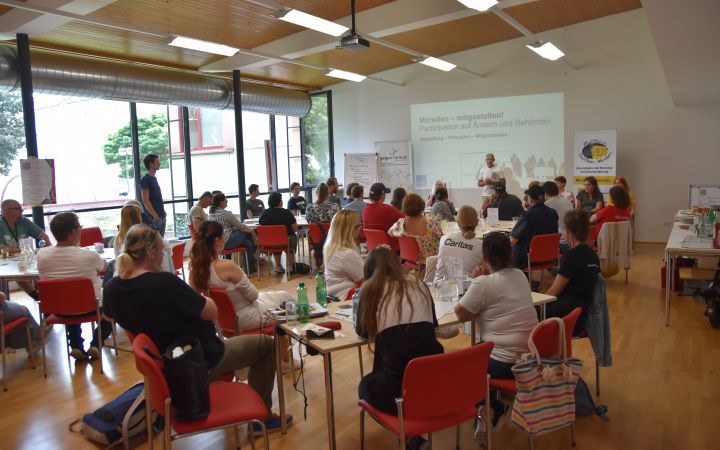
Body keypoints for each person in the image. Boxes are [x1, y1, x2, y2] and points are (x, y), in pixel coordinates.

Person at [103, 224, 289, 431]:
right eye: (162, 249)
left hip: (164, 366)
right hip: (198, 360)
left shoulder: (111, 288)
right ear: (151, 252)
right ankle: (262, 418)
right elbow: (210, 311)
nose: (164, 254)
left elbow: (108, 316)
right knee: (265, 345)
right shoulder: (164, 283)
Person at [454, 232, 538, 428]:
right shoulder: (520, 275)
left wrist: (476, 282)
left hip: (505, 363)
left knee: (462, 365)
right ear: (510, 254)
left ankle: (491, 407)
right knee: (477, 353)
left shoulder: (483, 283)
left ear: (484, 258)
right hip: (531, 356)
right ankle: (490, 403)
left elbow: (460, 313)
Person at [188, 221, 296, 370]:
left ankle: (284, 359)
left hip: (223, 321)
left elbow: (196, 301)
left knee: (283, 295)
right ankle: (286, 361)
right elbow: (253, 295)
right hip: (246, 315)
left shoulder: (196, 269)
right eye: (224, 236)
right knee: (288, 303)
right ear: (217, 241)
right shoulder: (226, 266)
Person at [356, 247, 442, 424]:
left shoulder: (370, 289)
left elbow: (363, 331)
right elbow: (433, 322)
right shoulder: (418, 283)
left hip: (397, 389)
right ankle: (413, 431)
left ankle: (409, 434)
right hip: (431, 379)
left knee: (365, 385)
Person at [37, 212, 110, 361]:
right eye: (79, 228)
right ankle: (96, 344)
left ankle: (76, 345)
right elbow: (104, 267)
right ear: (72, 232)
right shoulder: (88, 255)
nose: (81, 231)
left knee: (68, 298)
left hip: (58, 308)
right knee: (112, 306)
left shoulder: (42, 255)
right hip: (92, 307)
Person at [545, 210, 600, 334]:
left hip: (565, 314)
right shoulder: (593, 256)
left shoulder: (573, 256)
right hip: (581, 314)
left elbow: (554, 291)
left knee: (530, 313)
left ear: (567, 230)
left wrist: (539, 303)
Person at [0, 199, 52, 301]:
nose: (22, 210)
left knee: (38, 268)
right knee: (18, 274)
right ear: (8, 211)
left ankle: (43, 296)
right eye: (18, 208)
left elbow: (43, 235)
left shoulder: (23, 221)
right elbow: (1, 248)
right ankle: (38, 297)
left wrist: (49, 247)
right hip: (4, 260)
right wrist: (21, 250)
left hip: (22, 257)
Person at [510, 185, 558, 270]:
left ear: (530, 199)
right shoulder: (553, 213)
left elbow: (513, 241)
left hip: (526, 258)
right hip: (548, 256)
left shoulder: (526, 216)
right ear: (544, 198)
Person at [208, 193, 258, 274]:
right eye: (225, 199)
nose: (227, 200)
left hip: (217, 244)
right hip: (227, 241)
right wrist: (252, 232)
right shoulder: (226, 213)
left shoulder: (211, 214)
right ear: (221, 202)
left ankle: (251, 269)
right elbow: (241, 227)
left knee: (247, 243)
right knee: (246, 232)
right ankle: (255, 250)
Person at [431, 206, 484, 281]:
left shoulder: (444, 239)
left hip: (439, 285)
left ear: (458, 223)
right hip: (466, 287)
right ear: (477, 222)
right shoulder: (482, 246)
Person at [388, 193, 443, 265]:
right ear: (421, 205)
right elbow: (443, 236)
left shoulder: (400, 224)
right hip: (432, 262)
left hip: (410, 260)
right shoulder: (432, 221)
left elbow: (390, 233)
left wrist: (402, 234)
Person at [323, 210, 363, 301]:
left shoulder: (330, 247)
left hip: (334, 293)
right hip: (348, 295)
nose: (361, 228)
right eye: (359, 225)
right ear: (350, 230)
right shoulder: (347, 254)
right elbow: (365, 281)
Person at [258, 192, 298, 274]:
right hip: (287, 243)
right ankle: (290, 266)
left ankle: (278, 266)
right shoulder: (287, 213)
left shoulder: (264, 213)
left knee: (275, 239)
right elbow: (295, 229)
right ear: (280, 202)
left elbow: (261, 227)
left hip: (269, 243)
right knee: (293, 238)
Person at [362, 183, 404, 251]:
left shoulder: (365, 209)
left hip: (373, 249)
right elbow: (405, 219)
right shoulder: (387, 209)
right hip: (390, 249)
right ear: (382, 195)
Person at [543, 181, 574, 255]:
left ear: (545, 193)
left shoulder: (547, 204)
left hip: (560, 242)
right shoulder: (567, 201)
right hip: (572, 239)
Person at [140, 153, 167, 236]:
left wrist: (162, 212)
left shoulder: (153, 178)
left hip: (160, 215)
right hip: (153, 218)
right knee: (155, 241)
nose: (159, 163)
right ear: (151, 164)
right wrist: (155, 215)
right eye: (157, 161)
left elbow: (156, 197)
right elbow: (145, 200)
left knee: (161, 240)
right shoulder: (145, 179)